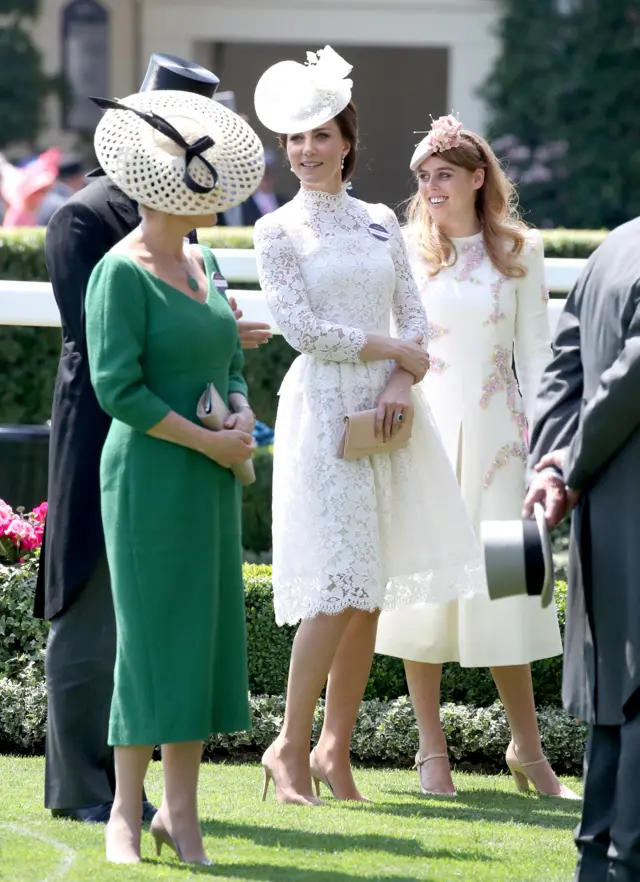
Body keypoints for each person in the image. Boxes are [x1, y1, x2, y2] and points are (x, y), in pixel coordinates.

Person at [34, 53, 271, 826]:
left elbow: (202, 329)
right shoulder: (82, 218)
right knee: (91, 608)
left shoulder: (198, 237)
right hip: (112, 441)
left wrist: (226, 368)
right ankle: (83, 786)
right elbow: (102, 349)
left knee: (166, 617)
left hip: (187, 442)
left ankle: (150, 795)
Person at [252, 47, 486, 806]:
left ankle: (332, 749)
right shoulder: (278, 230)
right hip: (323, 410)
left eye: (321, 135)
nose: (307, 151)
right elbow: (301, 328)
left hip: (389, 410)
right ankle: (286, 746)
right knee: (336, 583)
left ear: (346, 141)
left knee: (371, 590)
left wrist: (396, 375)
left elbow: (415, 318)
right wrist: (387, 348)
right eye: (295, 139)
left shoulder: (384, 220)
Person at [85, 85, 264, 864]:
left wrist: (236, 408)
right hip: (151, 478)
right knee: (152, 643)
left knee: (198, 640)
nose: (220, 198)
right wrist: (209, 441)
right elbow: (116, 388)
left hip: (207, 475)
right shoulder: (119, 274)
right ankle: (128, 811)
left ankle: (181, 815)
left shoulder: (205, 258)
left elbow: (226, 357)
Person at [375, 115, 577, 799]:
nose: (431, 188)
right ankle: (432, 752)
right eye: (424, 177)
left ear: (476, 178)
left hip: (501, 446)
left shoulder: (521, 249)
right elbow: (393, 346)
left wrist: (548, 452)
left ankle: (529, 749)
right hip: (425, 440)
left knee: (510, 590)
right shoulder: (404, 248)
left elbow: (544, 357)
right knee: (421, 593)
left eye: (444, 175)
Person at [524, 216, 640, 880]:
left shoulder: (611, 250)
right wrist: (567, 469)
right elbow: (627, 383)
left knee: (614, 699)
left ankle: (598, 862)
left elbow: (562, 371)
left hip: (604, 519)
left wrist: (551, 466)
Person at [36, 153, 88, 226]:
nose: (83, 180)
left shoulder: (54, 196)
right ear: (71, 179)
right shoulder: (60, 201)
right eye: (79, 177)